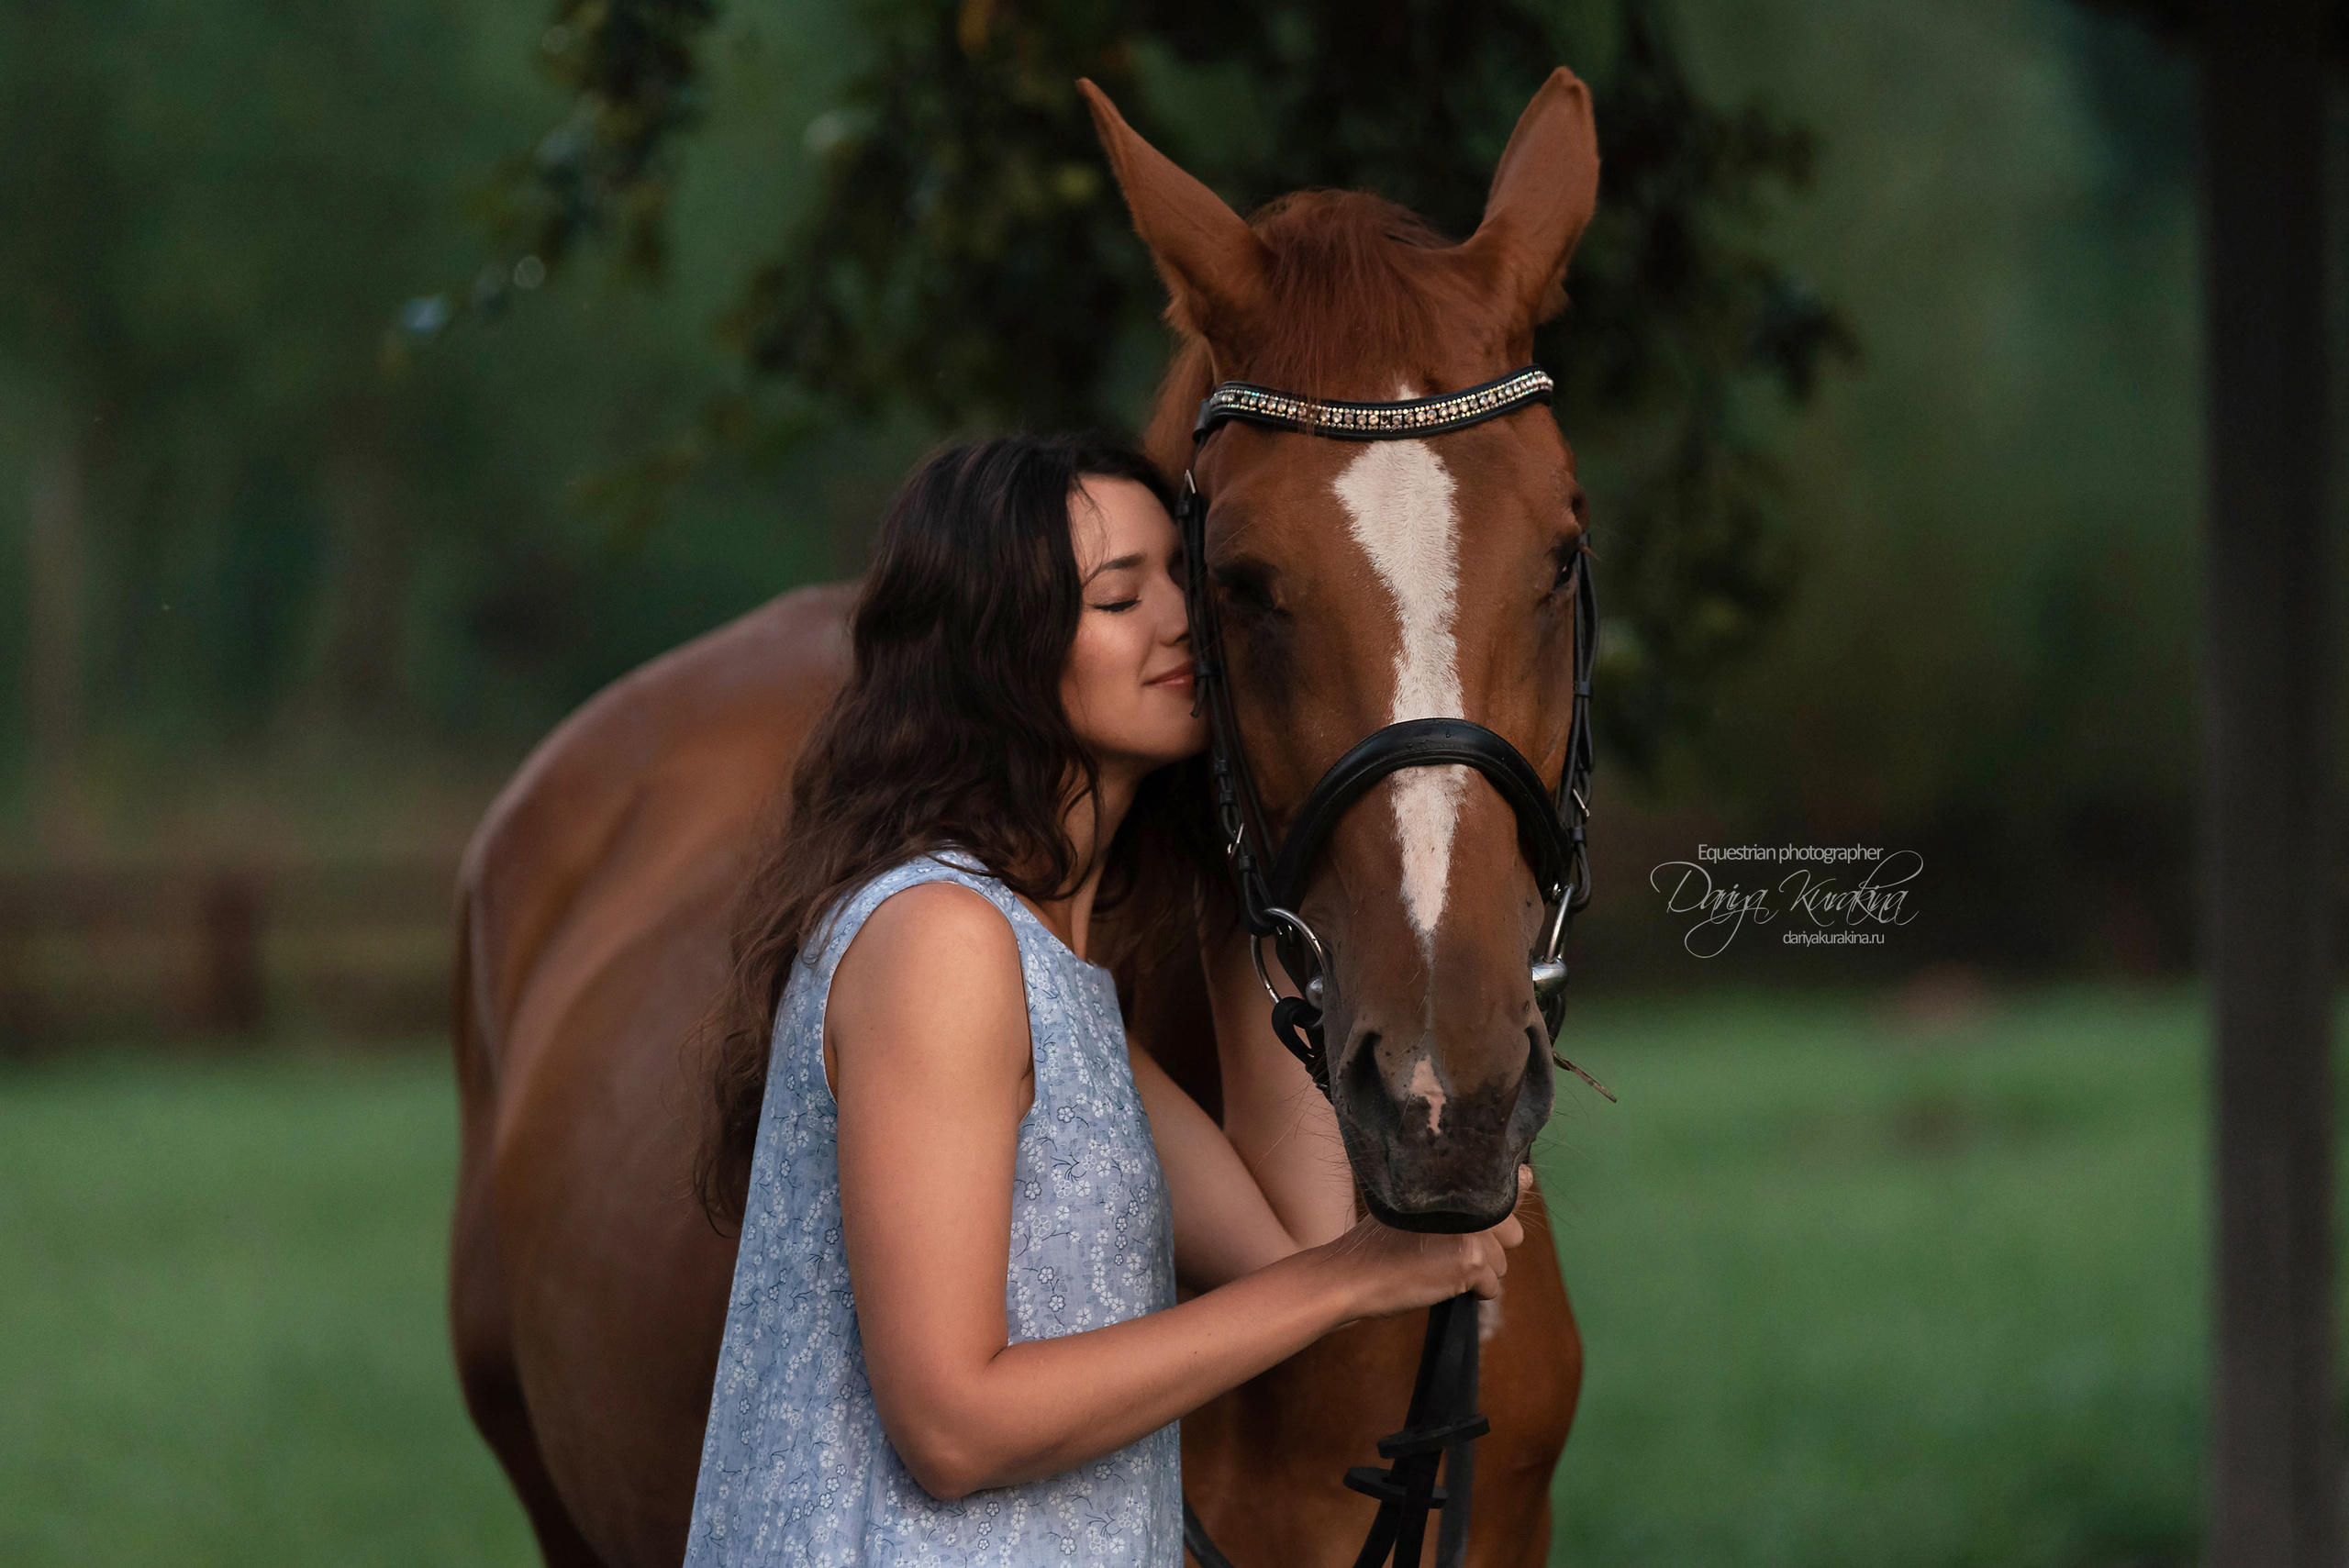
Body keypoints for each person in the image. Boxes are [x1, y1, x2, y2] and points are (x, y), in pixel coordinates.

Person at [683, 434, 1527, 1565]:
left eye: (1184, 578)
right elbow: (951, 1425)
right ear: (997, 654)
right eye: (1121, 596)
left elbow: (1294, 1246)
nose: (1184, 621)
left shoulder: (1053, 980)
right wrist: (1352, 1277)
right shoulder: (939, 941)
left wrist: (1252, 867)